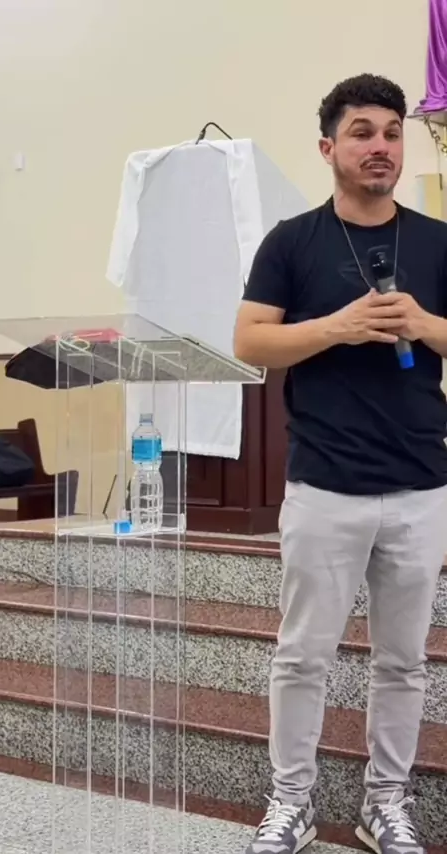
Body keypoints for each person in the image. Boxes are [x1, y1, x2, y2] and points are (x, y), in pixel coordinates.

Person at [234, 73, 447, 854]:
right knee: (302, 657)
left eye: (392, 132)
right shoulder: (292, 241)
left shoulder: (437, 242)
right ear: (328, 148)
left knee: (404, 662)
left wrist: (424, 322)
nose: (380, 146)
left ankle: (385, 803)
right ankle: (290, 802)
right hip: (324, 484)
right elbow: (251, 340)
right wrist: (338, 326)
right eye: (362, 133)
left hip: (421, 484)